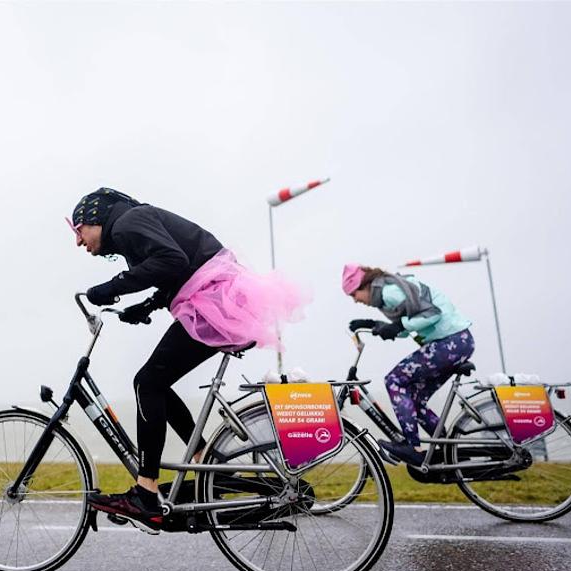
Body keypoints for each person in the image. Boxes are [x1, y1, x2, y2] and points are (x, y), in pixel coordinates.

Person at [67, 187, 306, 532]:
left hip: (214, 301)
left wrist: (113, 286)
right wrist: (146, 306)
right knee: (156, 382)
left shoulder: (126, 223)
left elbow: (172, 260)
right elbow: (174, 270)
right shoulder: (132, 226)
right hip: (215, 298)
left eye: (79, 231)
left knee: (147, 382)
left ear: (95, 218)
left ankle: (146, 492)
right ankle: (204, 457)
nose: (79, 242)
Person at [342, 264, 475, 466]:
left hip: (450, 341)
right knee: (415, 400)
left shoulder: (389, 292)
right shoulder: (384, 293)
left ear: (365, 285)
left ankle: (413, 448)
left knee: (394, 380)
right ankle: (449, 451)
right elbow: (411, 322)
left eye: (354, 294)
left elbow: (433, 313)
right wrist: (375, 325)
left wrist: (397, 326)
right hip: (457, 342)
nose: (355, 300)